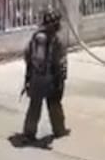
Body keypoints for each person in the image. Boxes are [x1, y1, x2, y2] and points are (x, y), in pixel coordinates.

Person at [21, 9, 70, 142]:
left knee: (34, 106)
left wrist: (29, 76)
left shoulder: (36, 37)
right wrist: (60, 79)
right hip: (50, 79)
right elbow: (59, 62)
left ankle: (29, 133)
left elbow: (27, 56)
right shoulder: (55, 40)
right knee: (54, 104)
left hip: (36, 77)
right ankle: (59, 130)